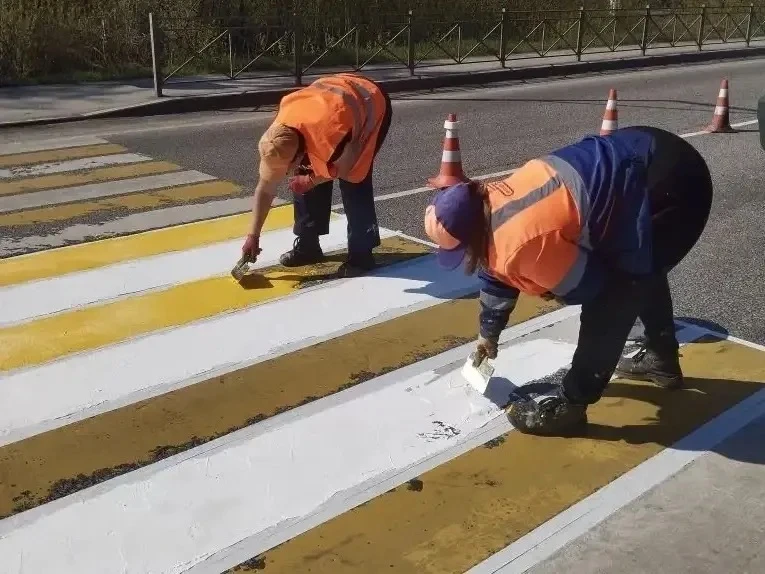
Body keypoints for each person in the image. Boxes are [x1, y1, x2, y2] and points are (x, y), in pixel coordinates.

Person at [423, 125, 713, 436]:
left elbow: (592, 289)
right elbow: (496, 269)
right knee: (639, 263)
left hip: (671, 182)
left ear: (472, 236)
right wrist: (487, 334)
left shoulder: (522, 240)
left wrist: (546, 285)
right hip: (644, 150)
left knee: (621, 289)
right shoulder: (490, 200)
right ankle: (661, 359)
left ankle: (573, 404)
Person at [242, 72, 393, 278]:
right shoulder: (278, 136)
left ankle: (361, 254)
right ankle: (308, 246)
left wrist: (312, 180)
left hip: (367, 102)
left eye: (287, 168)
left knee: (355, 180)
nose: (283, 174)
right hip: (327, 100)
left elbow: (345, 167)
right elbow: (265, 188)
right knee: (303, 176)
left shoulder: (332, 135)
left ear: (299, 154)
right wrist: (253, 236)